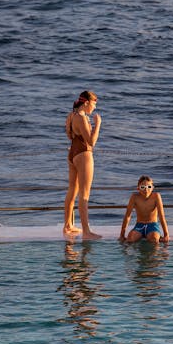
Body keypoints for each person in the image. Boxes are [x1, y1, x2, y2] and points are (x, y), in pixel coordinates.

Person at [63, 90, 102, 239]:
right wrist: (98, 125)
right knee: (84, 194)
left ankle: (68, 225)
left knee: (72, 190)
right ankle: (87, 231)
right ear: (86, 103)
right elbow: (91, 142)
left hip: (72, 154)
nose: (94, 108)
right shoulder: (82, 118)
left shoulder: (71, 115)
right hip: (84, 154)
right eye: (93, 104)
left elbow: (69, 134)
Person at [120, 175, 169, 244]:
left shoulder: (156, 196)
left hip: (152, 225)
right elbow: (128, 215)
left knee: (154, 240)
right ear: (138, 188)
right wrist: (122, 235)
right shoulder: (134, 197)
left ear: (152, 188)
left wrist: (166, 234)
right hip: (139, 226)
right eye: (142, 187)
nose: (146, 190)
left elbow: (161, 216)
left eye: (149, 187)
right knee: (130, 239)